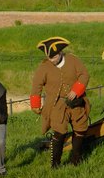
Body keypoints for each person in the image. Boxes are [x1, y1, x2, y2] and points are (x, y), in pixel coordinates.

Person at [30, 36, 90, 168]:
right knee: (59, 131)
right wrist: (35, 104)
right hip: (57, 105)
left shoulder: (73, 60)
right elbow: (36, 86)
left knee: (80, 129)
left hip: (76, 102)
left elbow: (84, 74)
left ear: (60, 53)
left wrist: (76, 90)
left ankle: (76, 160)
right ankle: (55, 164)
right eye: (49, 57)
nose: (51, 60)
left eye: (54, 57)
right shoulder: (44, 67)